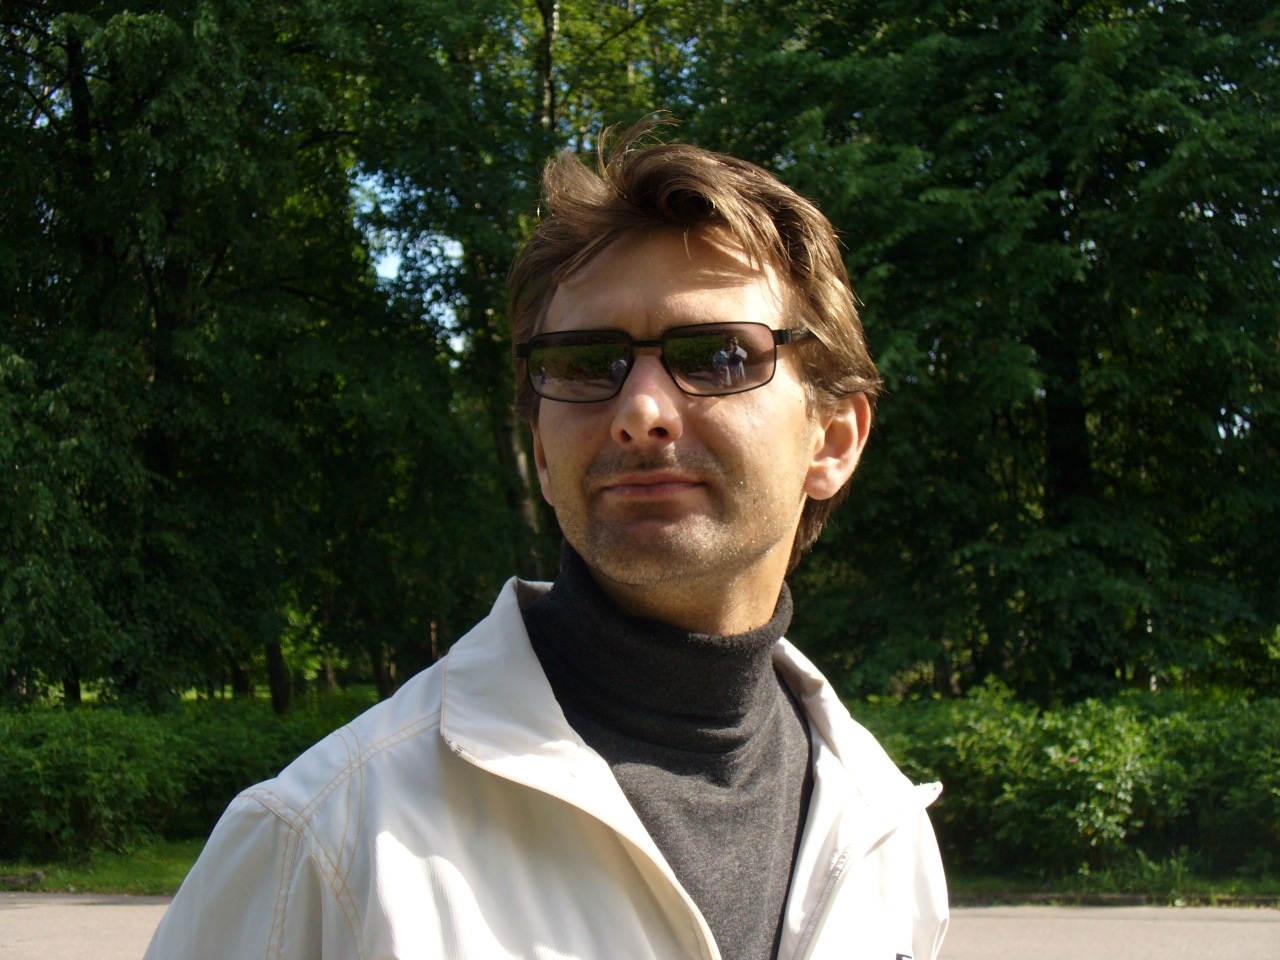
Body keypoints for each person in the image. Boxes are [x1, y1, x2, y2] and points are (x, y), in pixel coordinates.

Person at [144, 128, 948, 960]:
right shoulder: (324, 844)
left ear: (833, 439)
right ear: (540, 449)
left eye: (715, 356)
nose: (640, 411)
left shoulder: (885, 840)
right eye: (588, 363)